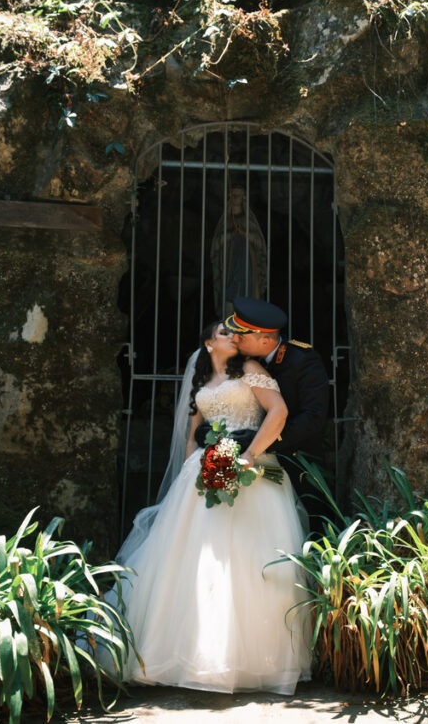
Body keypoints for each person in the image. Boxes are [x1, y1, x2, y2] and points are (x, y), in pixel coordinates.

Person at [113, 321, 311, 694]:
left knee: (249, 559)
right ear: (208, 343)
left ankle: (255, 660)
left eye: (236, 333)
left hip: (252, 469)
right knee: (195, 562)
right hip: (204, 473)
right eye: (224, 333)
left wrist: (249, 455)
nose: (233, 337)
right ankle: (182, 654)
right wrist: (192, 472)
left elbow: (278, 412)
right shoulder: (200, 382)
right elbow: (192, 435)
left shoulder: (250, 369)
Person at [199, 296, 329, 519]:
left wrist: (263, 441)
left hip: (297, 457)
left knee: (306, 520)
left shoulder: (302, 360)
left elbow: (313, 417)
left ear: (265, 341)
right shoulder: (243, 360)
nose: (234, 339)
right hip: (250, 457)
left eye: (241, 336)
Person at [212, 185, 268, 315]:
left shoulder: (249, 222)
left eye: (237, 195)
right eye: (232, 195)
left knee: (247, 292)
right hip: (230, 264)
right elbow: (216, 245)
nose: (234, 198)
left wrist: (245, 234)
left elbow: (260, 243)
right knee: (230, 295)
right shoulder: (225, 222)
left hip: (247, 265)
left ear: (243, 198)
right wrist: (230, 235)